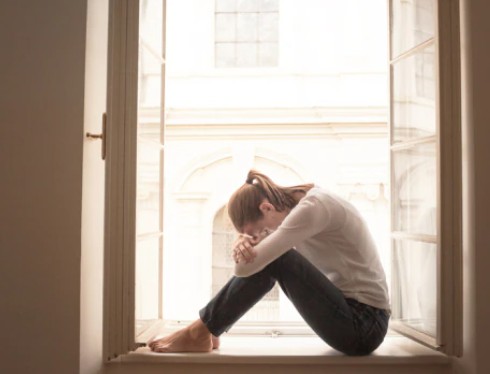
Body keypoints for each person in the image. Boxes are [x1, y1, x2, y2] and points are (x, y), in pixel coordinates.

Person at [149, 170, 390, 355]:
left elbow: (245, 268)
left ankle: (200, 331)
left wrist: (246, 248)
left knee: (278, 258)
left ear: (266, 207)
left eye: (258, 232)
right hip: (354, 317)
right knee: (273, 258)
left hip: (364, 325)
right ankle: (203, 329)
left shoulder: (313, 208)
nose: (262, 236)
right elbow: (249, 266)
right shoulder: (301, 205)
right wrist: (244, 243)